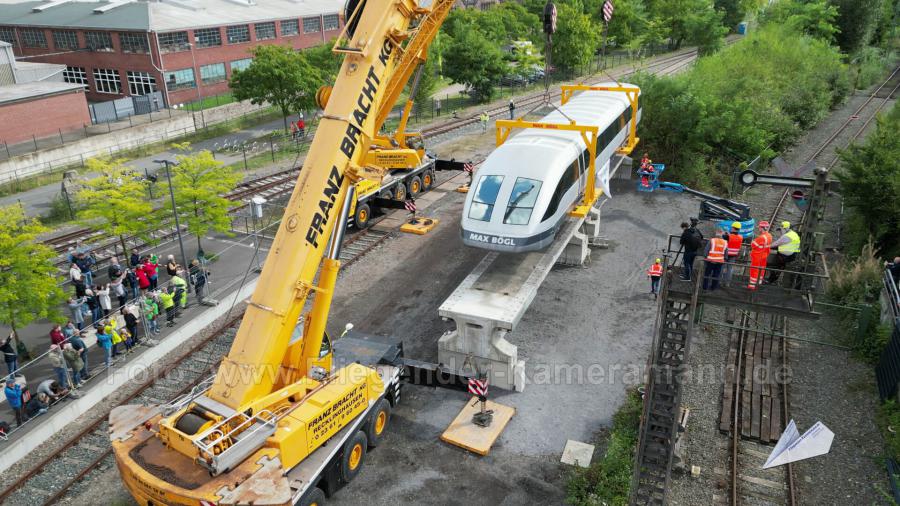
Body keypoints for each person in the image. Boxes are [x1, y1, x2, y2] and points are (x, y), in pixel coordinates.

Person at [748, 221, 772, 290]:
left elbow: (753, 245)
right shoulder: (769, 236)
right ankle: (758, 283)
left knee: (754, 271)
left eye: (760, 228)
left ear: (762, 228)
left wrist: (753, 241)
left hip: (757, 257)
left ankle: (752, 286)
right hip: (764, 256)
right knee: (761, 270)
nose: (759, 229)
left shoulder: (762, 237)